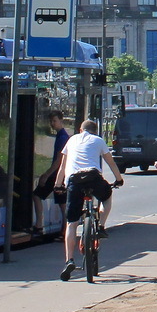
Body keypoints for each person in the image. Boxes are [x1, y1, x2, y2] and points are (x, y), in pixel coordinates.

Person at [56, 118, 125, 281]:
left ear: (80, 130)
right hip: (93, 177)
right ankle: (100, 226)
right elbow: (111, 162)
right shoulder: (98, 140)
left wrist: (58, 185)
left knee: (71, 223)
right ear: (95, 131)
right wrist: (119, 179)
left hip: (74, 180)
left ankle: (69, 260)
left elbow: (62, 166)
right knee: (106, 197)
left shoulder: (71, 140)